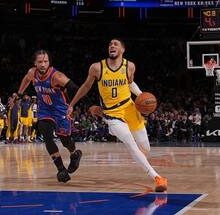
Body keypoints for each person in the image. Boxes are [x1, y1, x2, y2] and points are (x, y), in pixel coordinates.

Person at [67, 38, 167, 192]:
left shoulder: (130, 66)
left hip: (130, 108)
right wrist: (72, 104)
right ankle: (157, 178)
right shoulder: (97, 68)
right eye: (110, 44)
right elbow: (85, 87)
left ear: (122, 50)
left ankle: (126, 142)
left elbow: (130, 83)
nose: (112, 46)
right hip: (111, 113)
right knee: (130, 142)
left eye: (115, 44)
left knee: (145, 148)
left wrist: (141, 95)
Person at [18, 49, 82, 183]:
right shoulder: (32, 73)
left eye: (45, 61)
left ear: (49, 62)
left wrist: (72, 105)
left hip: (61, 110)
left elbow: (76, 89)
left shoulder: (57, 76)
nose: (43, 64)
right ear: (35, 63)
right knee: (46, 133)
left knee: (65, 140)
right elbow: (26, 79)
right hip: (45, 109)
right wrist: (19, 93)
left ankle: (75, 154)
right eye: (40, 61)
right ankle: (60, 169)